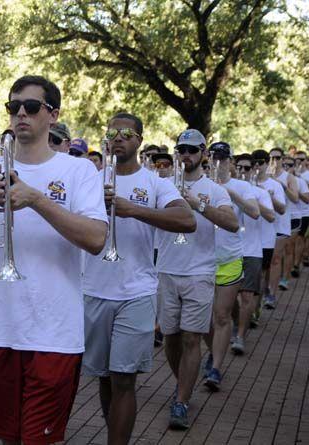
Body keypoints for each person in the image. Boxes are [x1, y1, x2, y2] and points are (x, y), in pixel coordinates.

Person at [0, 75, 108, 445]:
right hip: (0, 328)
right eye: (13, 107)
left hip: (54, 333)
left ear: (52, 115)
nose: (21, 114)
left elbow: (97, 239)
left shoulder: (78, 170)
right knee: (7, 437)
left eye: (31, 107)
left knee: (41, 440)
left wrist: (37, 199)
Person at [82, 114, 196, 444]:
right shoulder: (91, 179)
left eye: (126, 133)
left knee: (124, 379)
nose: (118, 138)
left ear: (139, 141)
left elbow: (187, 220)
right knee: (104, 378)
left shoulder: (155, 183)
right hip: (94, 288)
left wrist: (132, 209)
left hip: (137, 291)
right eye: (112, 132)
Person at [155, 129, 237, 429]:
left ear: (203, 152)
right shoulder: (162, 185)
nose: (186, 155)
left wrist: (197, 204)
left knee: (191, 338)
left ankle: (181, 401)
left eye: (192, 150)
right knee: (171, 340)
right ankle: (184, 385)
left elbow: (232, 223)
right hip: (166, 269)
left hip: (200, 272)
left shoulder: (214, 189)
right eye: (182, 149)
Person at [202, 141, 259, 390]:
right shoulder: (200, 183)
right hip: (201, 258)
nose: (218, 161)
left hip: (230, 257)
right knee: (204, 319)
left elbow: (255, 212)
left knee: (222, 315)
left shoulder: (242, 186)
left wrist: (227, 191)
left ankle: (215, 368)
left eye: (222, 158)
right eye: (213, 156)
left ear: (230, 161)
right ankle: (213, 352)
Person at [233, 154, 274, 352]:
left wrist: (246, 199)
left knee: (247, 297)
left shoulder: (260, 192)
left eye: (246, 168)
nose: (242, 171)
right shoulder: (225, 189)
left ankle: (240, 336)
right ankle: (234, 325)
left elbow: (271, 216)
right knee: (230, 299)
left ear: (253, 170)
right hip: (229, 252)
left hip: (252, 251)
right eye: (239, 167)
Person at [252, 149, 287, 309]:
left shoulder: (275, 185)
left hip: (267, 235)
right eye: (255, 163)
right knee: (253, 276)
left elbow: (281, 210)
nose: (257, 166)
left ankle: (258, 306)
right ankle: (253, 307)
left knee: (263, 273)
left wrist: (268, 195)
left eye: (261, 162)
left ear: (267, 164)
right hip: (248, 236)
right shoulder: (246, 183)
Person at [268, 149, 300, 292]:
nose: (274, 160)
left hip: (281, 223)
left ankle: (273, 292)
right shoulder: (264, 175)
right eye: (272, 157)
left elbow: (295, 198)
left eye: (278, 157)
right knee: (265, 261)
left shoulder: (288, 177)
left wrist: (282, 186)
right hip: (264, 224)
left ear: (282, 159)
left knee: (276, 258)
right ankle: (262, 291)